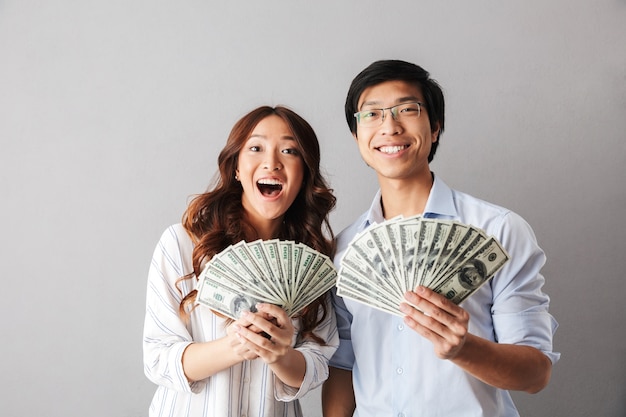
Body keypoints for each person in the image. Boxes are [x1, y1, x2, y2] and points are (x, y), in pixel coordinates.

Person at [321, 60, 560, 417]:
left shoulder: (499, 231)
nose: (390, 126)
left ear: (435, 128)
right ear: (357, 137)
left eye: (407, 109)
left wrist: (463, 348)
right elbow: (343, 366)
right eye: (372, 115)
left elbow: (535, 373)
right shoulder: (344, 251)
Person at [143, 105, 339, 416]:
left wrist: (279, 356)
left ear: (304, 174)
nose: (271, 162)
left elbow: (317, 364)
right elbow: (158, 358)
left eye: (289, 150)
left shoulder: (313, 264)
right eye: (256, 148)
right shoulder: (181, 244)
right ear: (236, 167)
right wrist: (236, 344)